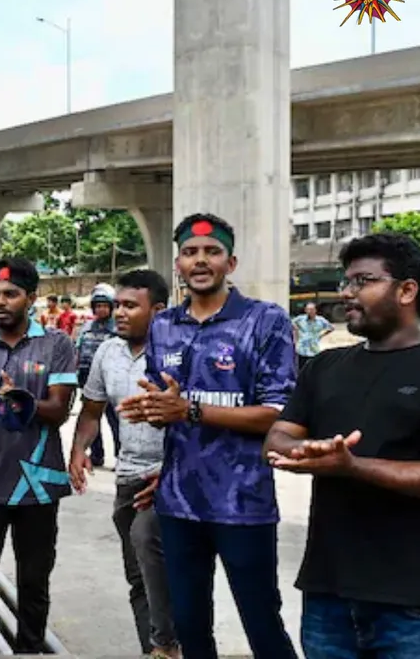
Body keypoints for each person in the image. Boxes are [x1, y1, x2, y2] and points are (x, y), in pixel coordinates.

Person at [117, 213, 298, 659]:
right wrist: (153, 412)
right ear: (177, 263)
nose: (200, 261)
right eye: (190, 253)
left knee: (263, 626)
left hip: (244, 503)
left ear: (230, 263)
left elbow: (277, 414)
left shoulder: (265, 321)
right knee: (191, 628)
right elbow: (169, 407)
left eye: (211, 252)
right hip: (179, 503)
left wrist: (188, 409)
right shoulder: (163, 326)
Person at [265, 233, 420, 659]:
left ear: (407, 290)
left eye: (363, 281)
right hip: (328, 593)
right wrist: (307, 450)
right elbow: (279, 435)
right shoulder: (325, 367)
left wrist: (353, 466)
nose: (347, 292)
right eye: (347, 281)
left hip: (417, 604)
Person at [0, 257, 78, 654]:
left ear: (31, 299)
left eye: (11, 294)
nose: (1, 302)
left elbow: (57, 411)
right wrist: (0, 406)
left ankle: (29, 649)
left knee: (34, 583)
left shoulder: (57, 344)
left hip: (39, 486)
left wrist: (19, 401)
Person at [68, 270, 179, 659]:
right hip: (127, 477)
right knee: (138, 578)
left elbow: (197, 420)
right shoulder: (107, 351)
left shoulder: (179, 352)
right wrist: (79, 448)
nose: (119, 313)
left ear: (159, 311)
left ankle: (168, 645)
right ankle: (154, 649)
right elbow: (92, 409)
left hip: (170, 479)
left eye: (130, 306)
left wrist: (172, 474)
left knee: (151, 551)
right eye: (117, 304)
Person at [75, 285, 119, 468]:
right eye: (98, 306)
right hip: (88, 379)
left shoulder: (117, 328)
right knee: (92, 419)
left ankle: (120, 454)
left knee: (115, 420)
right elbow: (78, 349)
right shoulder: (86, 328)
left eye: (104, 306)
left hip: (111, 380)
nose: (101, 309)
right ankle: (96, 454)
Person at [292, 302, 334, 372]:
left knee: (313, 370)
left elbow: (331, 328)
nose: (309, 311)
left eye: (311, 309)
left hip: (313, 349)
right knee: (300, 369)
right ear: (305, 310)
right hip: (302, 349)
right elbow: (291, 323)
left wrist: (321, 335)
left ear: (315, 310)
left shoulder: (321, 320)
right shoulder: (300, 319)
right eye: (308, 309)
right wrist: (296, 332)